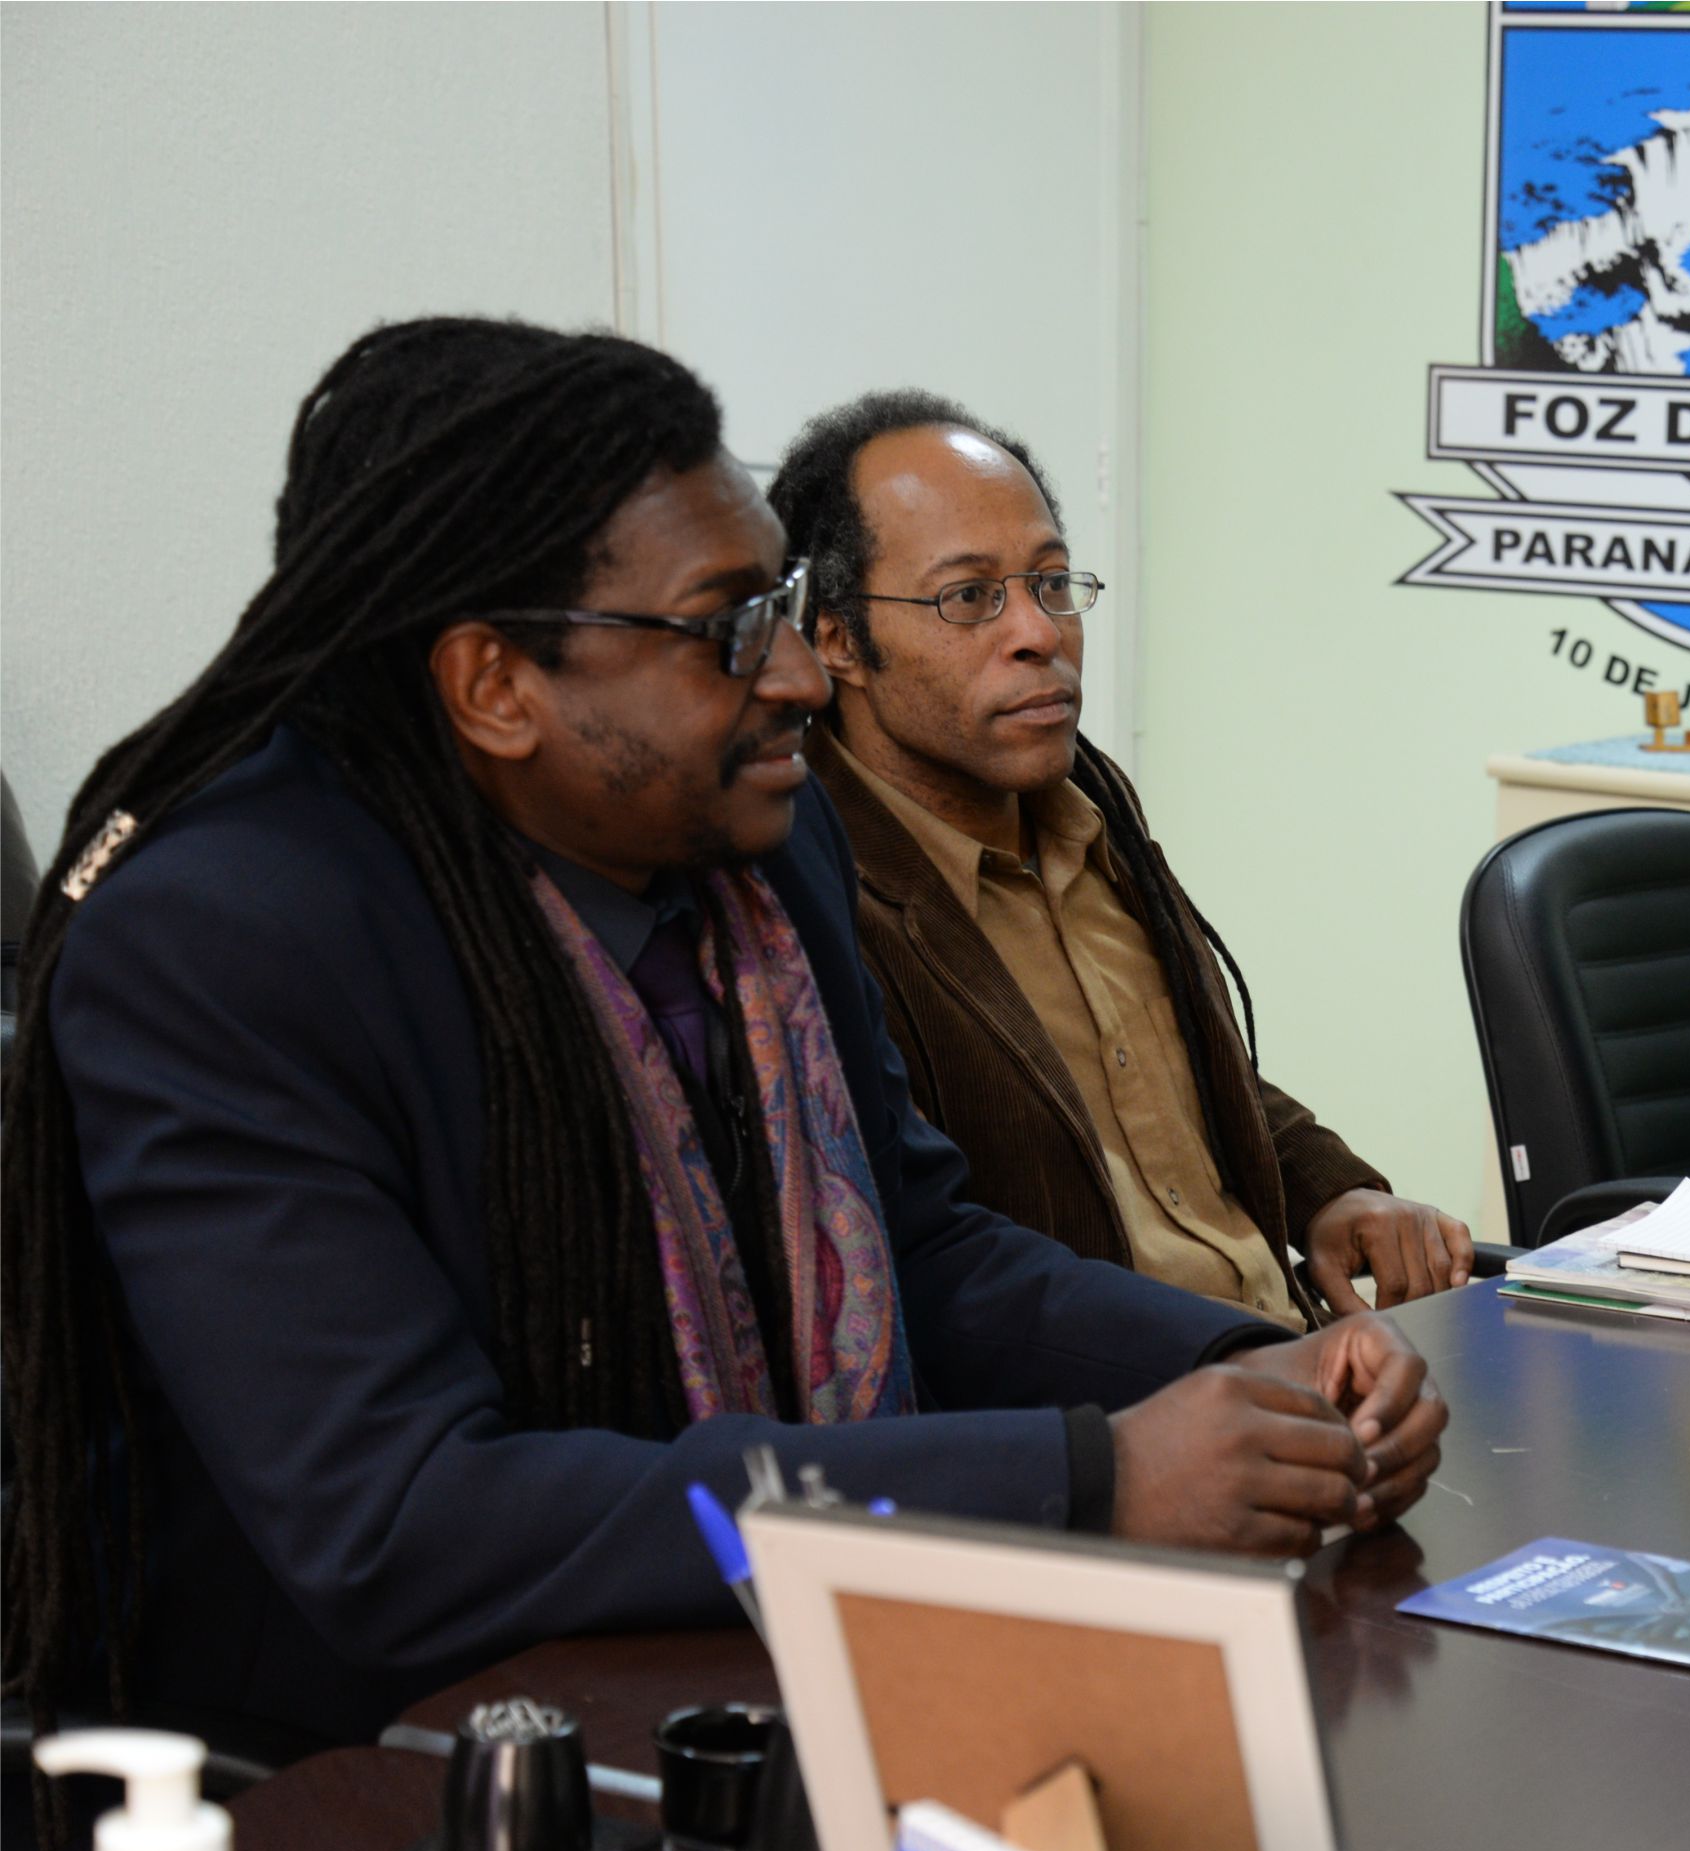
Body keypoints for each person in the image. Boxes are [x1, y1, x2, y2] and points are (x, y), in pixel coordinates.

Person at [0, 320, 1446, 1761]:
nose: (804, 683)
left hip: (752, 1694)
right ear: (495, 685)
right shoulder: (222, 944)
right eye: (727, 628)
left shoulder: (762, 837)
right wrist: (1086, 1478)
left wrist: (1257, 1373)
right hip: (366, 1782)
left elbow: (921, 1244)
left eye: (790, 608)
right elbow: (409, 1517)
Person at [766, 393, 1473, 1326]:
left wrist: (1331, 1191)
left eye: (1052, 583)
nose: (1039, 633)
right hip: (1120, 1418)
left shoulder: (1090, 808)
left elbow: (1170, 1071)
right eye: (970, 597)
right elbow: (922, 1258)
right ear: (836, 639)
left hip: (1296, 1355)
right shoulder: (809, 882)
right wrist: (1227, 1366)